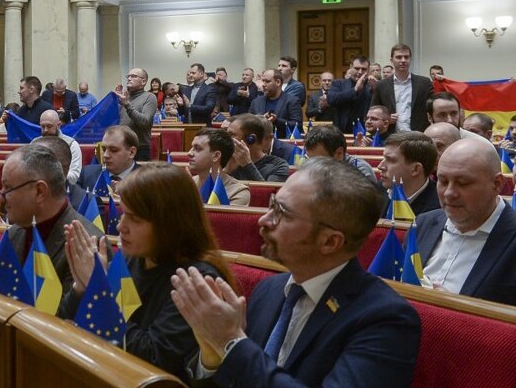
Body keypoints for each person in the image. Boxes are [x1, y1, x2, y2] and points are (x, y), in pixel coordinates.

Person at [170, 157, 421, 387]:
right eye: (272, 205)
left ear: (329, 242)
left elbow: (243, 358)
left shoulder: (386, 319)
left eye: (282, 213)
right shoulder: (270, 288)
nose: (264, 220)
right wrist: (212, 356)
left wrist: (231, 342)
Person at [60, 163, 234, 381]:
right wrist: (81, 287)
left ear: (170, 224)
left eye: (135, 218)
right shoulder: (132, 257)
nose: (121, 226)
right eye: (123, 213)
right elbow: (65, 323)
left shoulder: (196, 280)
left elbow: (154, 359)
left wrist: (99, 293)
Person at [0, 144, 104, 294]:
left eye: (8, 188)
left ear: (39, 191)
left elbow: (64, 316)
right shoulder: (15, 233)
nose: (0, 199)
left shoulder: (87, 246)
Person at [417, 138, 515, 305]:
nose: (449, 193)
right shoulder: (423, 223)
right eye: (443, 181)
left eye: (463, 183)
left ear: (497, 184)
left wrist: (457, 309)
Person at [371, 43, 433, 133]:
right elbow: (373, 111)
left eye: (406, 57)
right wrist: (385, 118)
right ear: (392, 60)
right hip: (391, 135)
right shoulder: (381, 85)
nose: (403, 60)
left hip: (418, 134)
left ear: (410, 59)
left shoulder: (424, 83)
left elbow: (432, 108)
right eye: (399, 57)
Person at [376, 132, 440, 216]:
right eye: (384, 158)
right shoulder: (376, 190)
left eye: (391, 160)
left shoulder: (438, 207)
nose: (380, 166)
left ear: (416, 169)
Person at [188, 128, 251, 206]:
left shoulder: (238, 192)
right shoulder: (188, 184)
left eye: (197, 148)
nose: (189, 153)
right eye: (192, 148)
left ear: (216, 156)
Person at [302, 125, 379, 188]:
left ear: (339, 153)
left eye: (318, 161)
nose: (311, 166)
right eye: (308, 159)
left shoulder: (360, 171)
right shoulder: (309, 170)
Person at [226, 114, 289, 183]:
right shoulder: (226, 159)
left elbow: (267, 189)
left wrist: (247, 165)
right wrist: (227, 171)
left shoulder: (278, 166)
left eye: (232, 135)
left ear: (251, 139)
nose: (226, 139)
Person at [78, 125, 140, 190]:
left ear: (131, 152)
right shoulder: (86, 174)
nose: (105, 155)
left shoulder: (146, 179)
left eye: (113, 150)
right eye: (104, 149)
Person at [116, 68, 158, 161]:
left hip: (140, 148)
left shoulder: (149, 97)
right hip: (121, 146)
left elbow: (144, 122)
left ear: (143, 82)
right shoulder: (123, 97)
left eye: (133, 76)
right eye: (128, 76)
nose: (129, 78)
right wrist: (114, 101)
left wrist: (127, 105)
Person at [328, 55, 376, 133]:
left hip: (367, 130)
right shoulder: (339, 83)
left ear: (368, 70)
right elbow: (331, 99)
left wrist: (375, 90)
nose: (360, 72)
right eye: (357, 68)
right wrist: (355, 90)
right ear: (351, 67)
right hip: (342, 130)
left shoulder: (372, 85)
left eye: (363, 69)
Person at [250, 69, 302, 136]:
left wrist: (276, 121)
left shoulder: (292, 101)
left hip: (283, 140)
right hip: (260, 140)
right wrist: (260, 120)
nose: (263, 85)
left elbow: (297, 125)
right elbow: (248, 123)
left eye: (267, 81)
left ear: (278, 82)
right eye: (263, 81)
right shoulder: (256, 102)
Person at [38, 109, 82, 183]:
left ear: (58, 125)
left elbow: (74, 177)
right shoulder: (35, 143)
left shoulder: (71, 144)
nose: (45, 130)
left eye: (49, 126)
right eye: (42, 126)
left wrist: (52, 174)